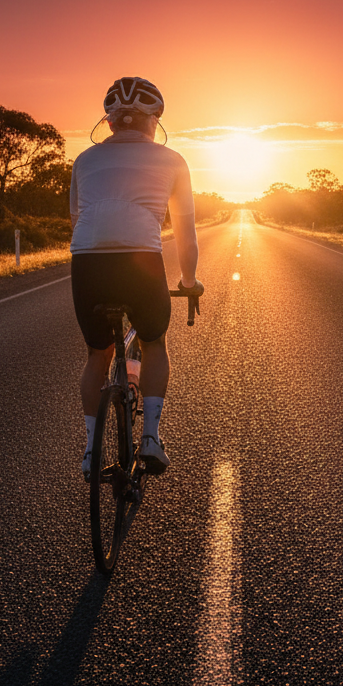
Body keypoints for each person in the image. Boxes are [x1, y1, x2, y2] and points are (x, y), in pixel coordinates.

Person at [69, 76, 203, 481]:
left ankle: (92, 449)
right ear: (153, 122)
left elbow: (76, 218)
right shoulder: (173, 159)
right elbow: (186, 231)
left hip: (88, 259)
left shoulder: (84, 159)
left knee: (97, 355)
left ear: (109, 122)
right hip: (140, 258)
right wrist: (189, 281)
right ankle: (150, 438)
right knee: (153, 341)